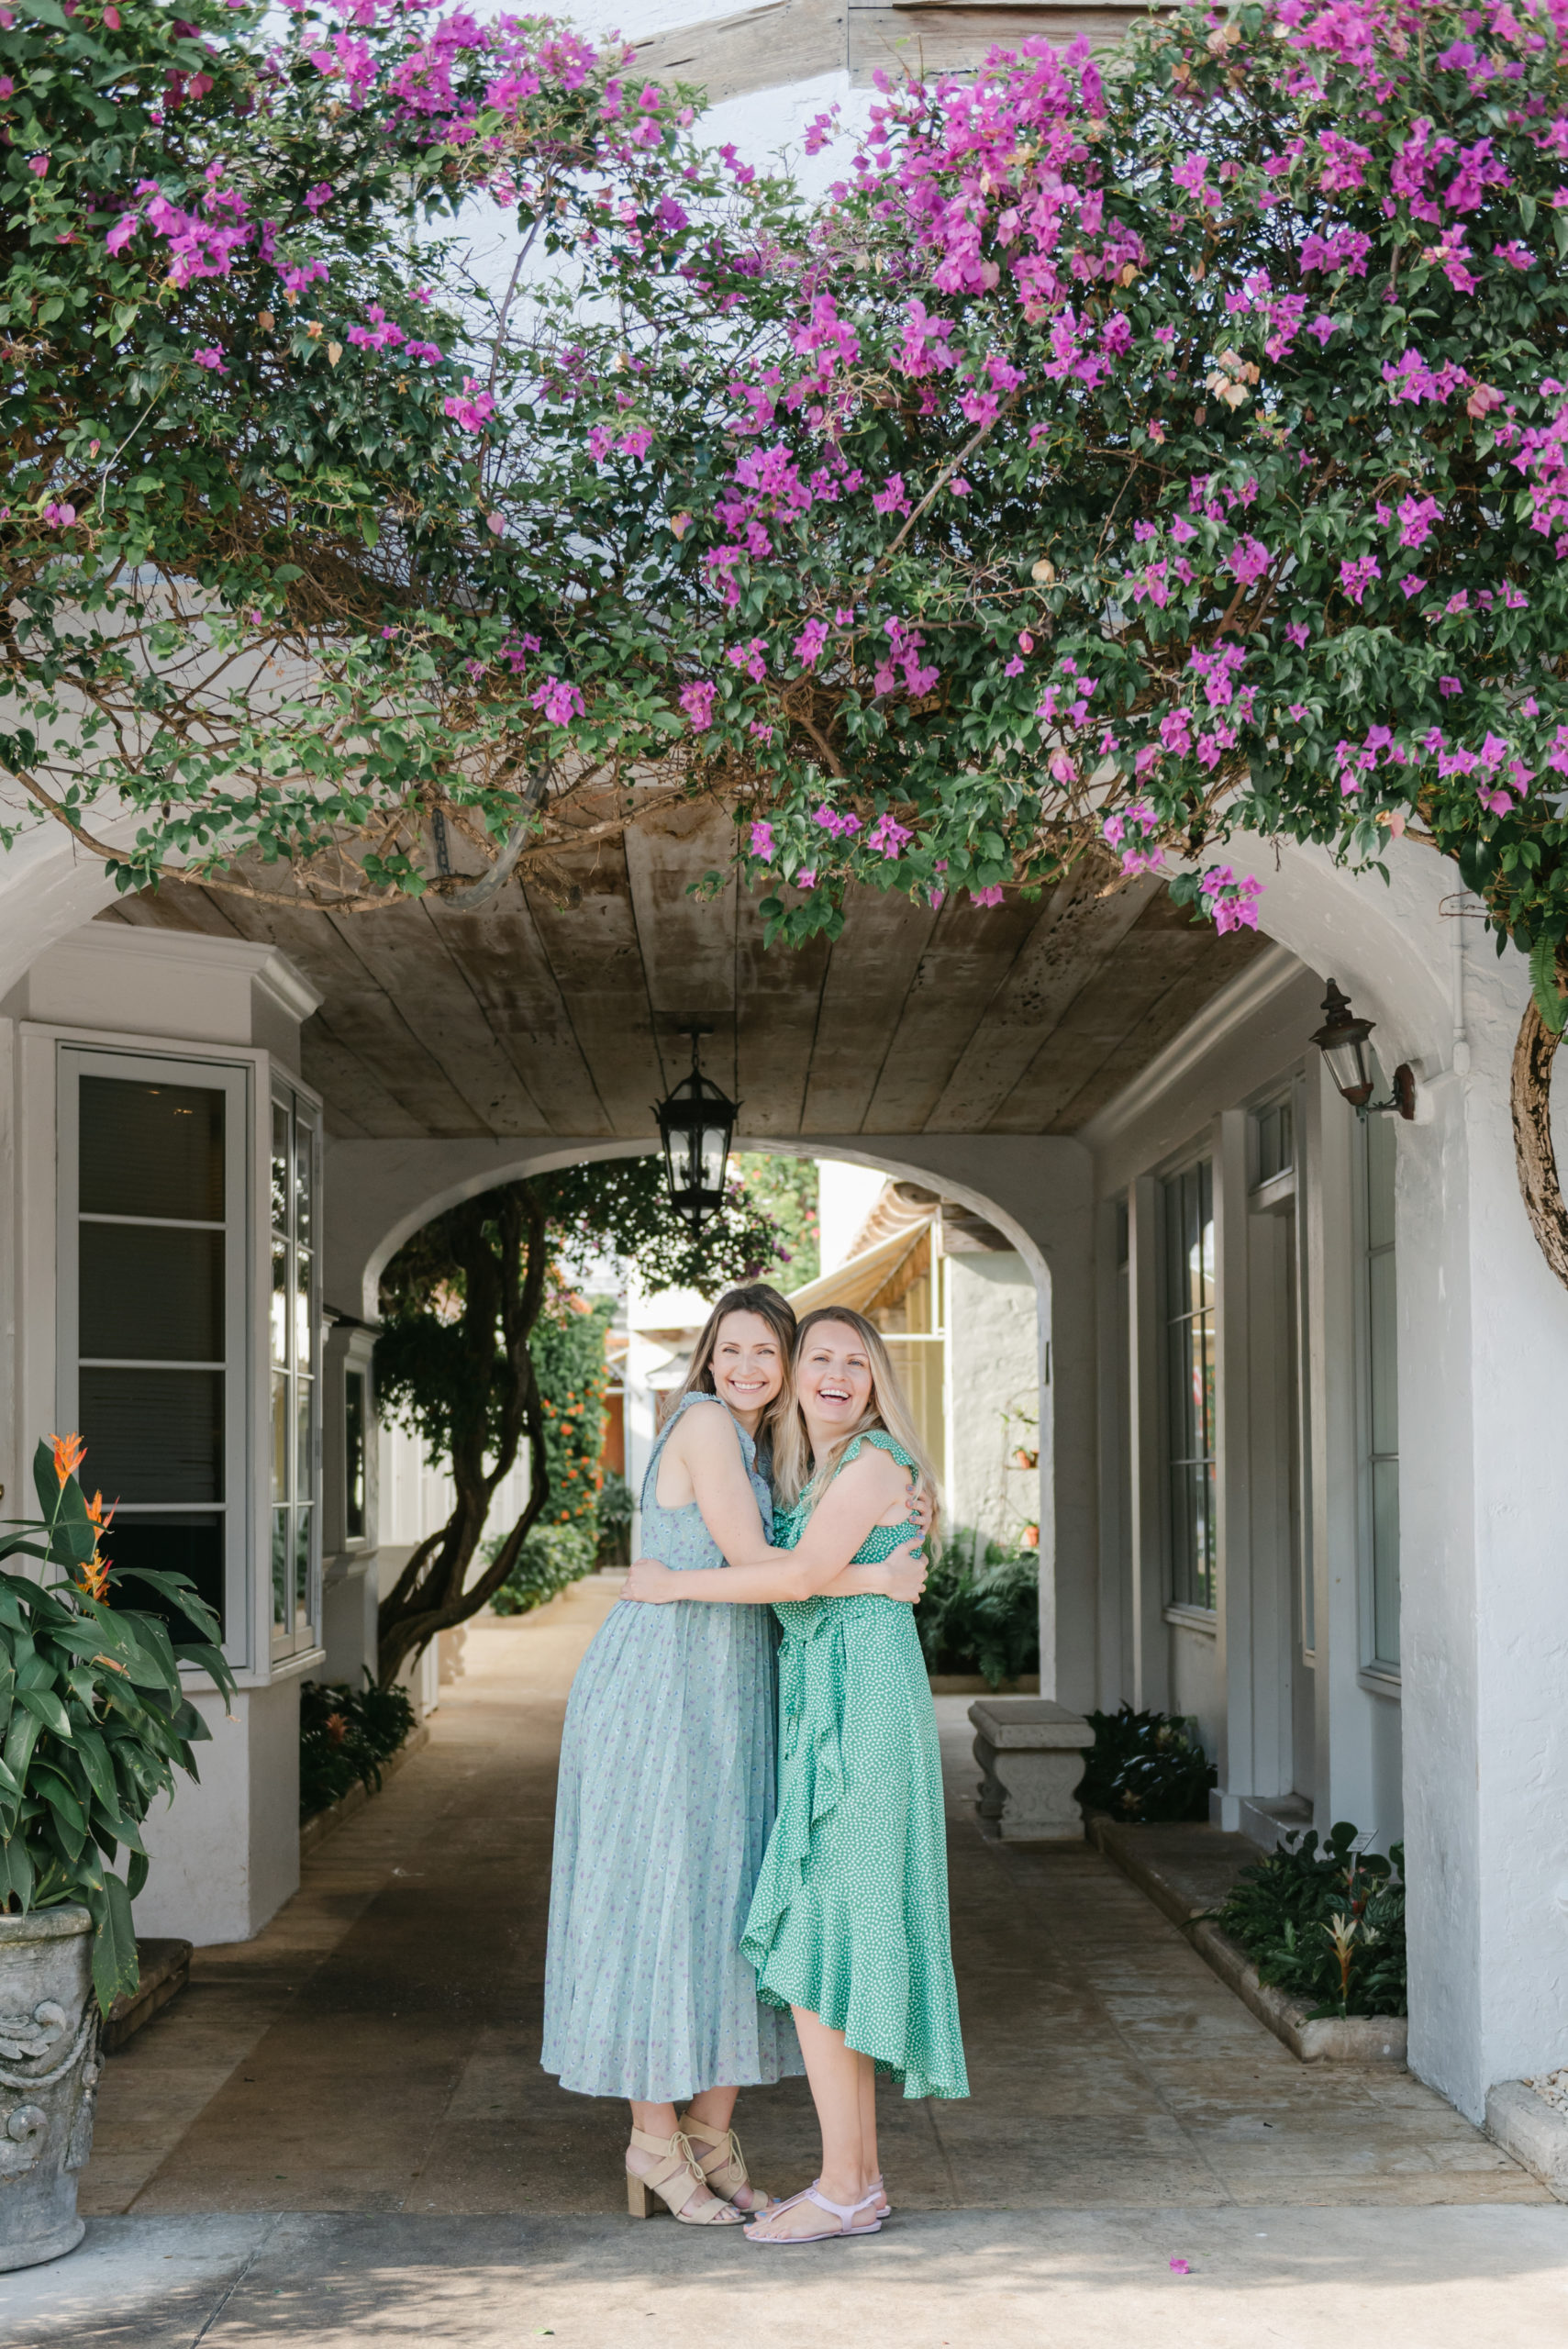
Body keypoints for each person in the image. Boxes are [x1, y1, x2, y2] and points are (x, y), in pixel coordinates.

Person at [542, 1285, 928, 2227]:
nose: (749, 1367)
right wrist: (878, 1570)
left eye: (769, 1352)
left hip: (730, 1692)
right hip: (662, 1686)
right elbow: (769, 1560)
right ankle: (651, 2136)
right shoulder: (710, 1425)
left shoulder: (778, 1448)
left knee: (726, 1905)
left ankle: (706, 2135)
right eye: (732, 1348)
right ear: (708, 1357)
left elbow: (798, 1547)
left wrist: (890, 1501)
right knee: (660, 1897)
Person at [624, 1307, 967, 2245]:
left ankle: (847, 2185)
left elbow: (797, 1575)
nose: (835, 1373)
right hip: (830, 1698)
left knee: (830, 1939)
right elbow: (820, 1568)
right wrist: (873, 1576)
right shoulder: (814, 1467)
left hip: (861, 1707)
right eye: (818, 1356)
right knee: (829, 1940)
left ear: (873, 1380)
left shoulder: (868, 1463)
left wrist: (668, 1583)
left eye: (854, 1362)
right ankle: (853, 2183)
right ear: (792, 1375)